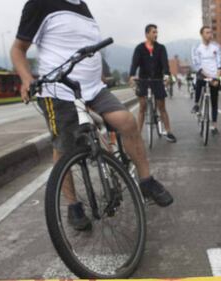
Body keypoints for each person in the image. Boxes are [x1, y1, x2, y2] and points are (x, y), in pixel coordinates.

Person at [11, 0, 174, 230]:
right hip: (59, 89)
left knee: (127, 122)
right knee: (64, 146)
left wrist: (99, 74)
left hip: (92, 89)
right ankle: (73, 206)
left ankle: (146, 181)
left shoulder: (83, 6)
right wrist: (27, 79)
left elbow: (87, 46)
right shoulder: (40, 3)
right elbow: (17, 49)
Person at [129, 24, 177, 143]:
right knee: (142, 107)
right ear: (147, 34)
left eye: (156, 32)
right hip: (144, 80)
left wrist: (166, 75)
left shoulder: (161, 48)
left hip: (157, 79)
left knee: (162, 107)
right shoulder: (139, 48)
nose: (156, 34)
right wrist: (132, 75)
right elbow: (134, 63)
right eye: (153, 32)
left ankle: (169, 131)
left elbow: (165, 63)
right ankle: (138, 135)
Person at [191, 26, 221, 135]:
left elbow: (220, 64)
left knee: (214, 102)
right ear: (202, 34)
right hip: (203, 75)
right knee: (199, 82)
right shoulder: (196, 48)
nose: (210, 34)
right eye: (207, 32)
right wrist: (208, 78)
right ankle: (196, 104)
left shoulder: (216, 47)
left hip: (214, 77)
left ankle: (214, 126)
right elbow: (197, 65)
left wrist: (217, 78)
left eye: (211, 32)